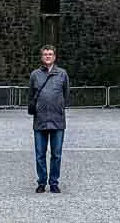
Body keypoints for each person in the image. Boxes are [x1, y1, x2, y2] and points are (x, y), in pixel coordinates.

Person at [29, 44, 69, 193]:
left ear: (54, 57)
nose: (48, 56)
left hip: (57, 120)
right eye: (45, 54)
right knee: (40, 154)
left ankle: (54, 182)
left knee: (56, 154)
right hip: (40, 120)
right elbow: (31, 95)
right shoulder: (35, 75)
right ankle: (41, 182)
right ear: (41, 57)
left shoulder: (62, 74)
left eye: (50, 54)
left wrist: (58, 107)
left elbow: (66, 95)